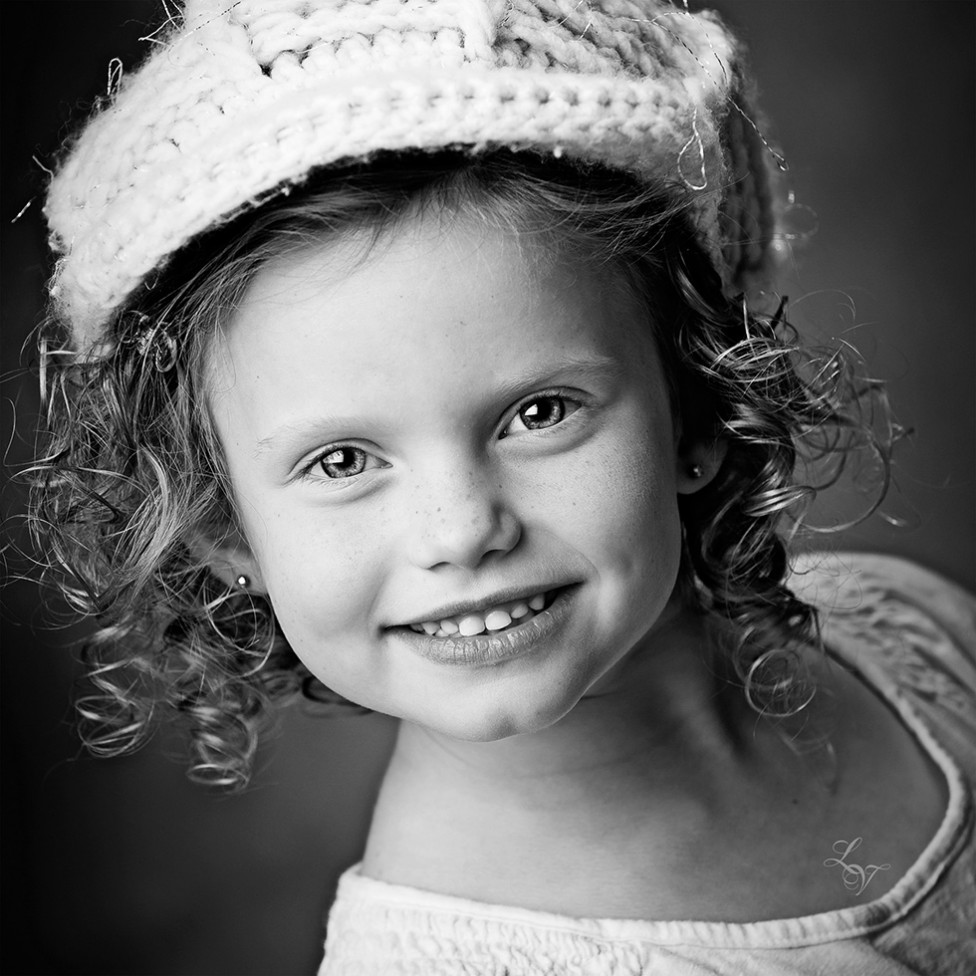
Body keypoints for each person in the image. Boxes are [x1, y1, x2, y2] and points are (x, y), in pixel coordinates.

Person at [29, 1, 975, 972]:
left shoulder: (920, 641)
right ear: (226, 529)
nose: (462, 529)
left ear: (693, 403)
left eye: (538, 413)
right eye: (343, 461)